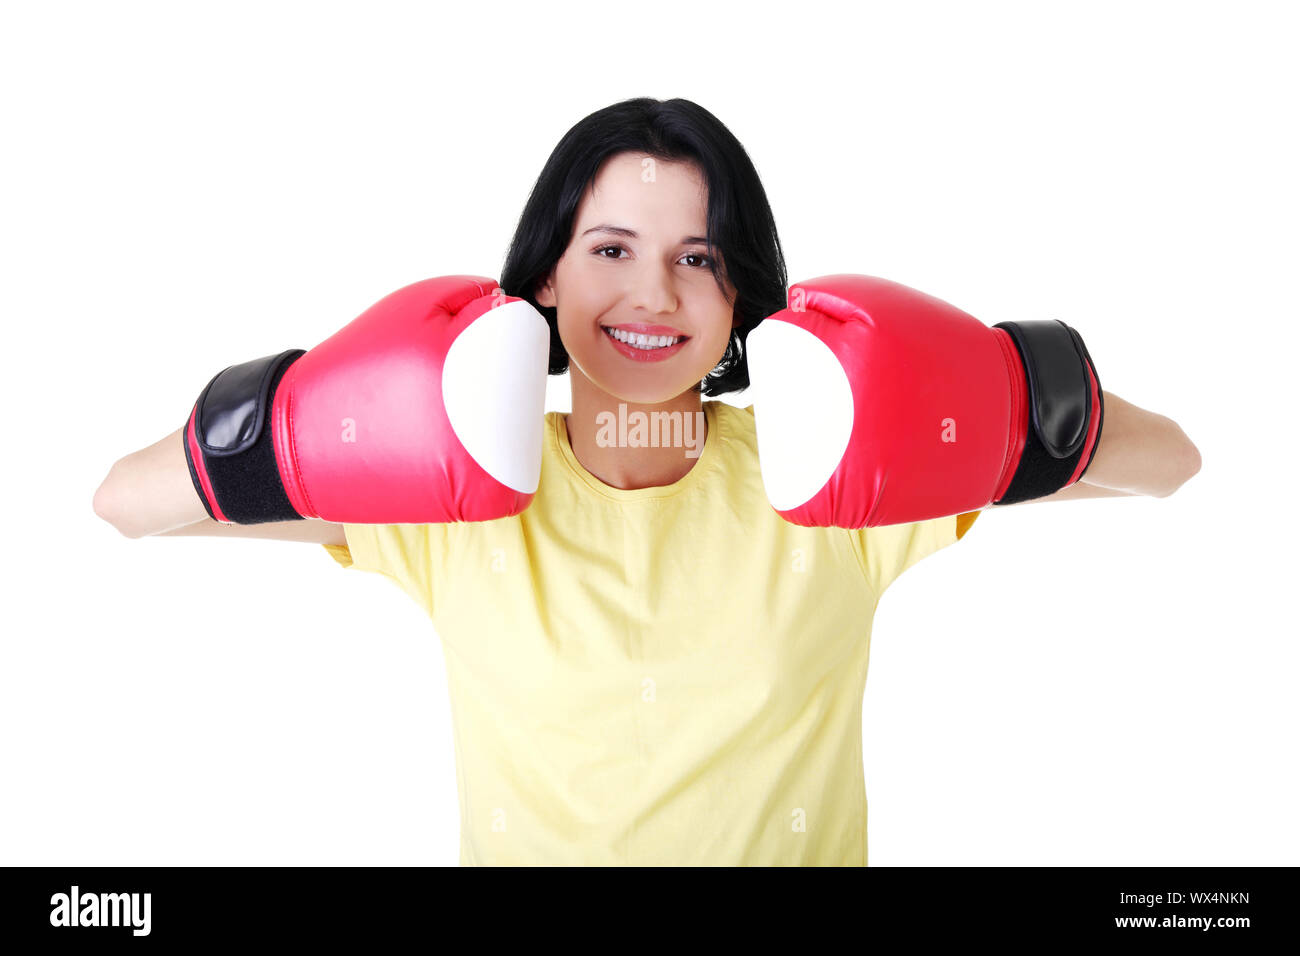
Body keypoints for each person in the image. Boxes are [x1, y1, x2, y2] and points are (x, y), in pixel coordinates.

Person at [92, 97, 1202, 865]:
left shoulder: (821, 470)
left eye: (698, 257)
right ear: (543, 276)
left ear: (739, 296)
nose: (654, 296)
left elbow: (1167, 467)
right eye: (611, 249)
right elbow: (128, 505)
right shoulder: (450, 491)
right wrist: (307, 412)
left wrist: (1012, 380)